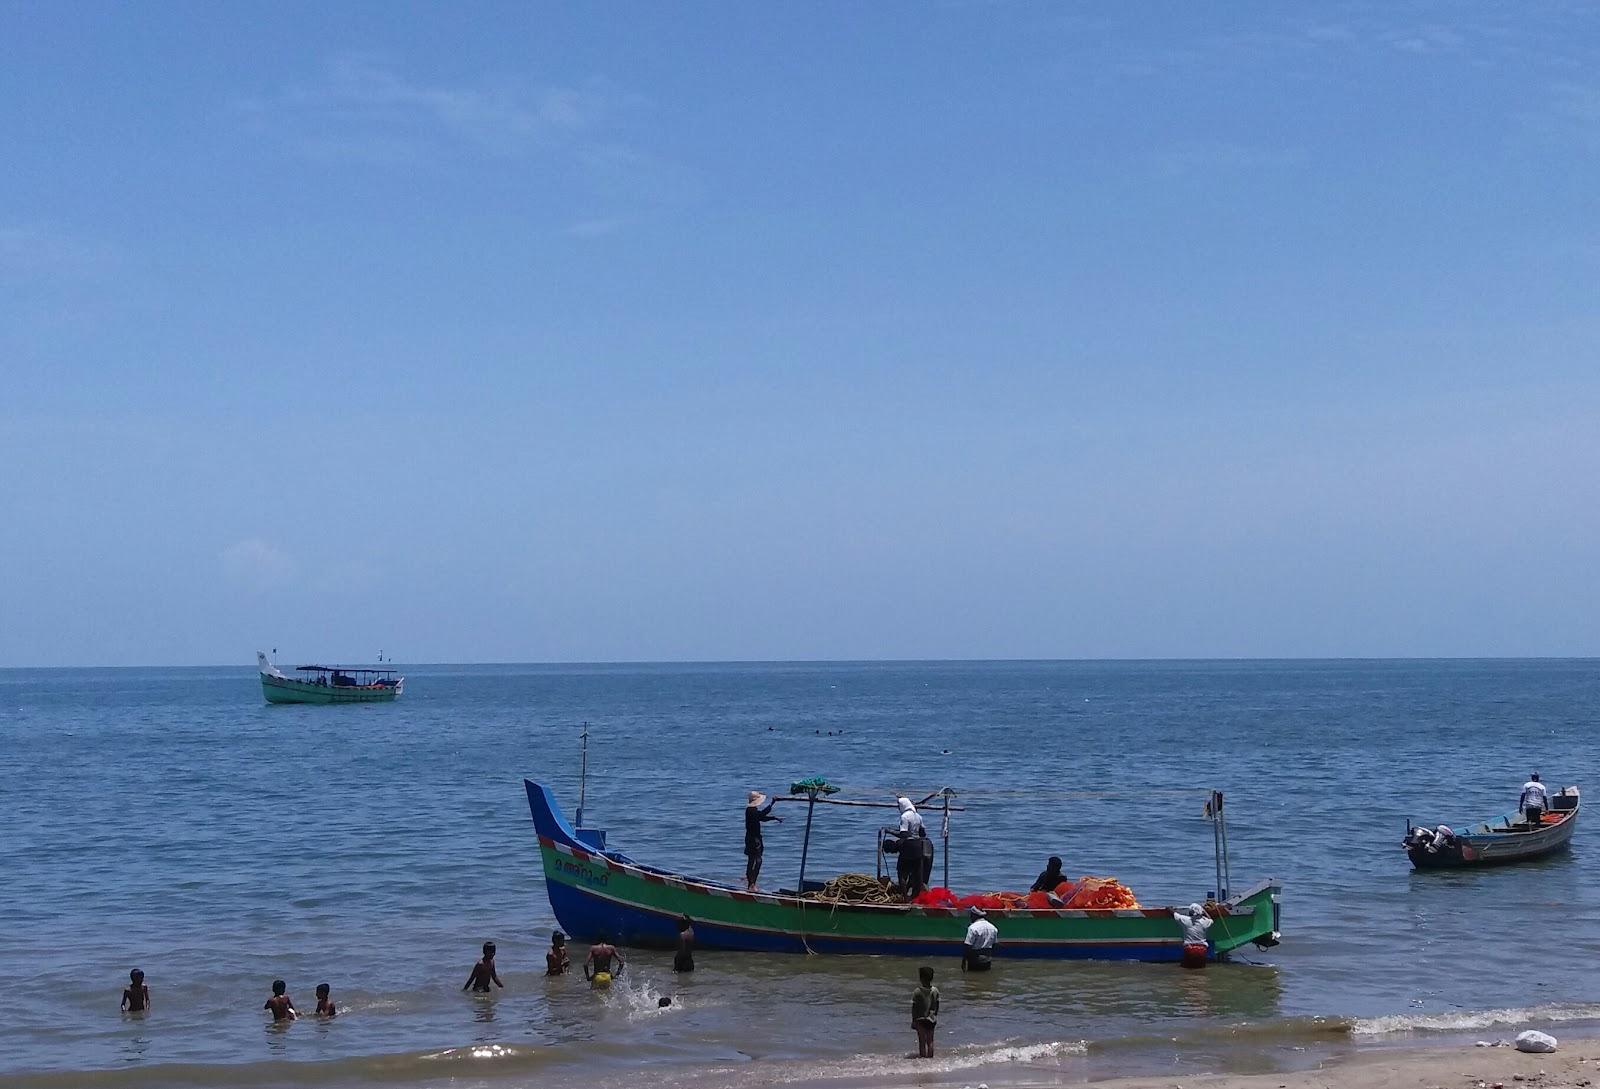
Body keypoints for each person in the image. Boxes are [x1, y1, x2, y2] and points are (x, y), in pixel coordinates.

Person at [744, 790, 783, 890]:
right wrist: (772, 803)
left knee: (752, 860)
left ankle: (750, 882)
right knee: (758, 860)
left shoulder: (750, 810)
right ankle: (752, 883)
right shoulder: (751, 811)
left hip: (750, 838)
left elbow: (761, 818)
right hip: (754, 839)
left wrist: (774, 818)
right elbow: (762, 815)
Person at [911, 965, 940, 1058]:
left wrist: (913, 1020)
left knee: (922, 1041)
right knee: (930, 1041)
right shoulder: (935, 990)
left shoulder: (917, 991)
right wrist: (935, 1014)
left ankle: (923, 1059)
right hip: (931, 1019)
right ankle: (930, 1058)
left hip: (920, 1019)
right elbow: (937, 1004)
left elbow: (914, 1007)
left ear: (921, 978)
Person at [1173, 902, 1214, 970]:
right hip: (1202, 949)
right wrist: (1204, 911)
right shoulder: (1205, 922)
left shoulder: (1186, 920)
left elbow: (1173, 914)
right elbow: (1210, 919)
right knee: (1201, 970)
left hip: (1189, 948)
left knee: (1187, 969)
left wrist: (1169, 908)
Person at [962, 907, 998, 972]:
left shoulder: (973, 928)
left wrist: (964, 960)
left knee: (972, 978)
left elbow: (968, 946)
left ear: (974, 916)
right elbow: (994, 944)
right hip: (987, 958)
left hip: (975, 958)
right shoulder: (993, 927)